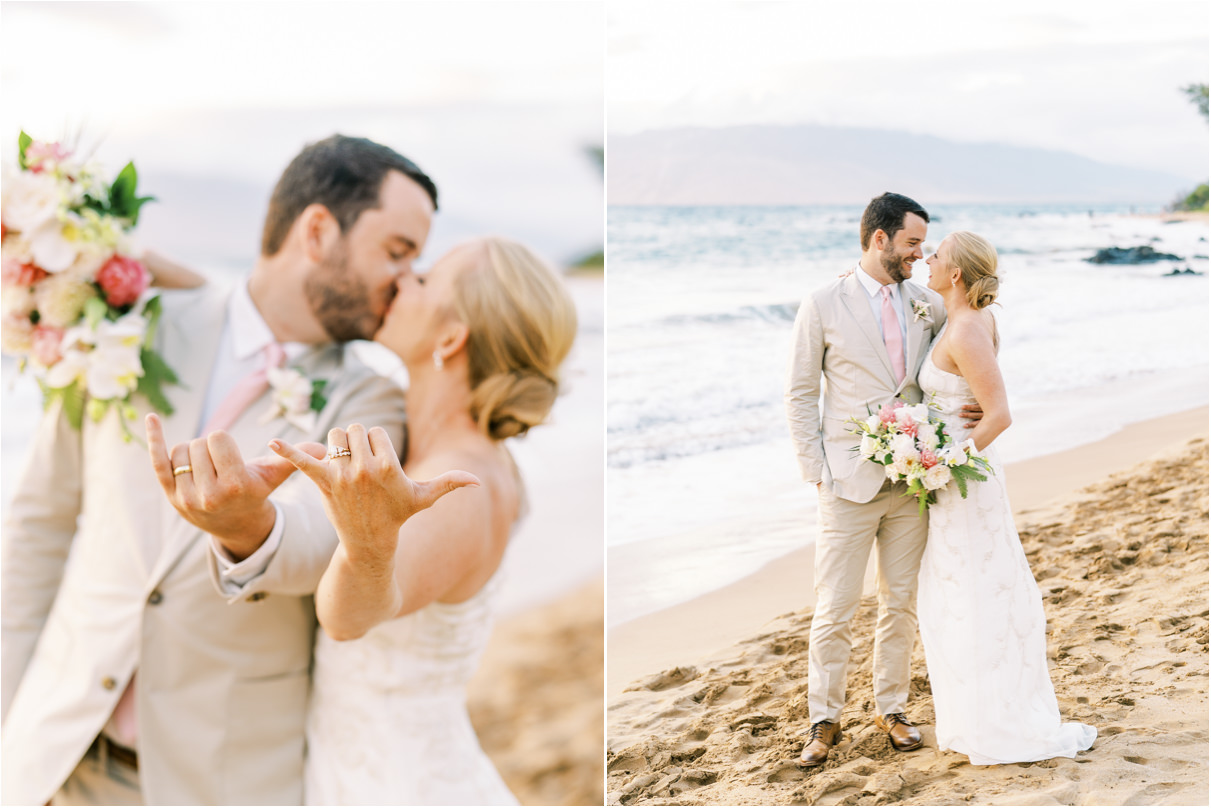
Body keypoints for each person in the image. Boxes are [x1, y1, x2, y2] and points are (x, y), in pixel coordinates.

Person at [1, 134, 435, 805]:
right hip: (56, 754)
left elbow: (330, 548)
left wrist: (250, 530)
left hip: (220, 779)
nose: (406, 282)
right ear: (318, 231)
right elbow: (40, 523)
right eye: (397, 252)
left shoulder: (372, 399)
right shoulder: (132, 328)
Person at [268, 236, 577, 805]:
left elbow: (349, 616)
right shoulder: (459, 455)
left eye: (426, 279)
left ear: (452, 337)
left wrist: (366, 541)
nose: (402, 279)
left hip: (393, 782)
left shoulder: (459, 486)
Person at [784, 192, 980, 767]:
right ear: (880, 240)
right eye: (913, 243)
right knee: (835, 606)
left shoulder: (928, 304)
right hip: (846, 482)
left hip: (913, 481)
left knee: (900, 605)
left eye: (924, 245)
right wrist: (815, 471)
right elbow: (800, 392)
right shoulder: (822, 303)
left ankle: (892, 709)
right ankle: (824, 720)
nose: (921, 254)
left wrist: (969, 407)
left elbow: (959, 358)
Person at [916, 231, 1096, 764]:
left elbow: (998, 415)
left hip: (961, 481)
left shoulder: (969, 328)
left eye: (936, 255)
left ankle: (994, 722)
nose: (926, 259)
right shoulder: (963, 315)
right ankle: (977, 713)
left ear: (954, 275)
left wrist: (938, 464)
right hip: (959, 473)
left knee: (971, 592)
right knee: (967, 589)